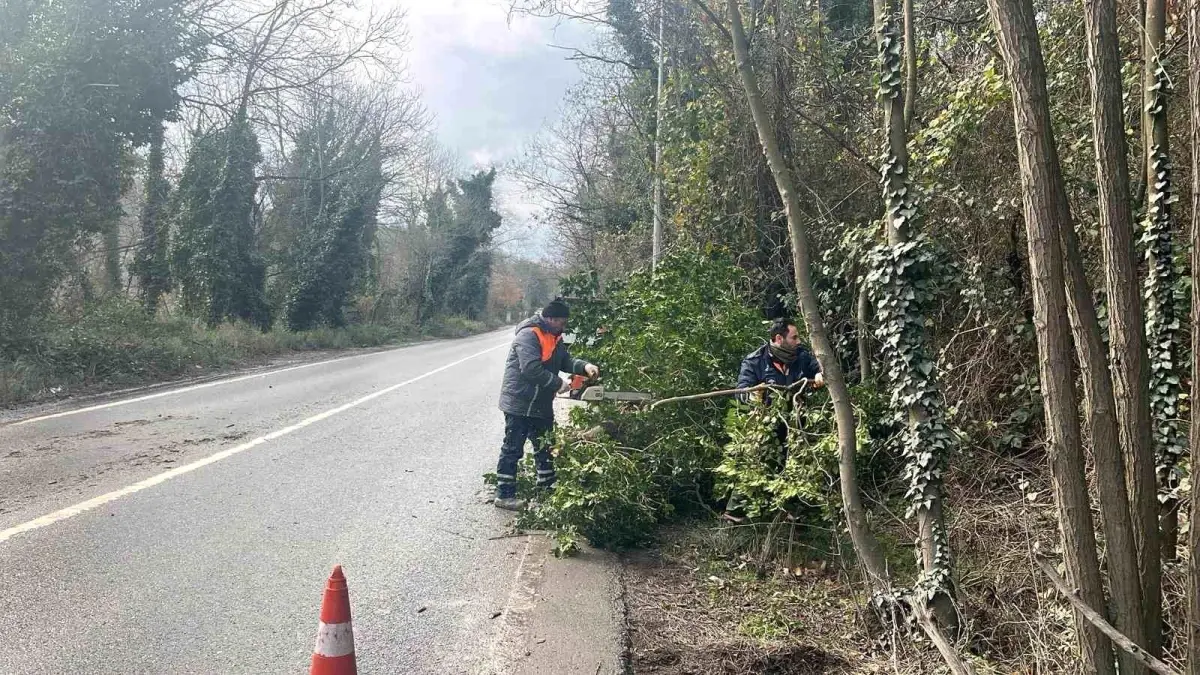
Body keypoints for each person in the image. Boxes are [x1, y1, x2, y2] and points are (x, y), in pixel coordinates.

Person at [494, 298, 599, 511]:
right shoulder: (529, 335)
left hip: (540, 402)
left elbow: (564, 360)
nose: (564, 327)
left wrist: (584, 366)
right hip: (520, 401)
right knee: (513, 448)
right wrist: (558, 383)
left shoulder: (554, 336)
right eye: (561, 322)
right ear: (550, 319)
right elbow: (530, 369)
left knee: (545, 446)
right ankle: (504, 494)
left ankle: (547, 488)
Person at [725, 317, 824, 522]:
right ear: (779, 338)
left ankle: (791, 511)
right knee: (755, 463)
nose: (798, 341)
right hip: (764, 425)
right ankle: (734, 514)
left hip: (795, 422)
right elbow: (741, 392)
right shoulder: (755, 361)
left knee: (795, 464)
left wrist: (819, 376)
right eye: (794, 337)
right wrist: (754, 393)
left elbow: (818, 369)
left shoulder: (801, 356)